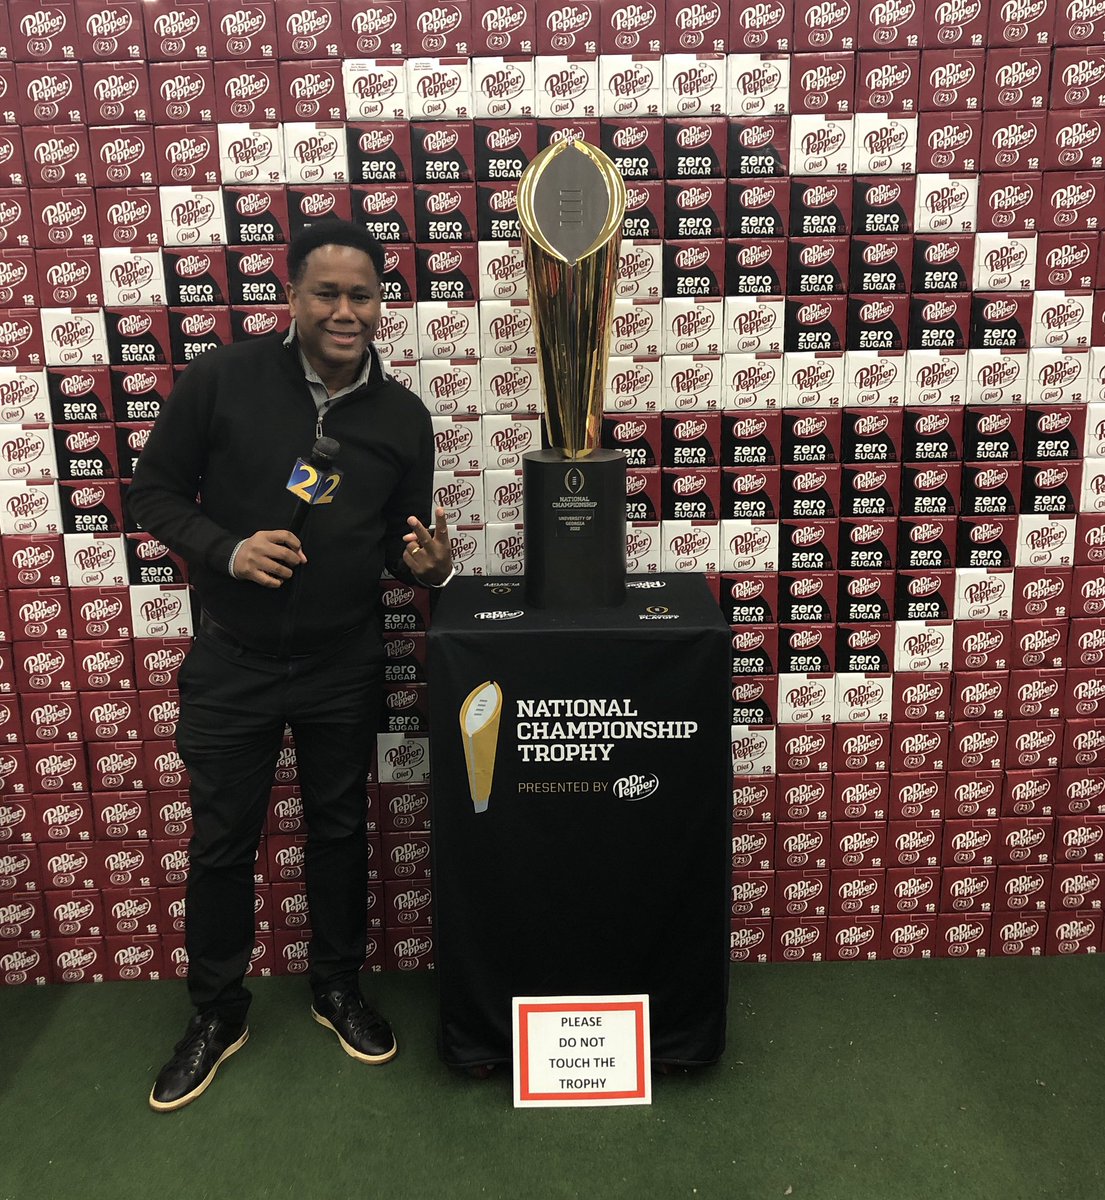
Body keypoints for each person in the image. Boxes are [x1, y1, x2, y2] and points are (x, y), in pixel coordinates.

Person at [128, 218, 453, 1112]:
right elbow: (151, 490)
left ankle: (337, 988)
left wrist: (428, 568)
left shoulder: (402, 417)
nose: (345, 311)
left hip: (343, 663)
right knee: (222, 843)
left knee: (340, 832)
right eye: (327, 293)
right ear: (293, 296)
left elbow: (402, 543)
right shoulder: (222, 378)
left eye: (362, 295)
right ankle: (216, 1013)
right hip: (231, 662)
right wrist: (227, 551)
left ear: (380, 303)